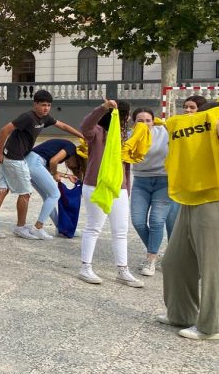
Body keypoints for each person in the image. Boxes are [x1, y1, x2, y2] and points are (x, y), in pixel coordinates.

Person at [0, 90, 83, 240]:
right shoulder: (28, 117)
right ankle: (20, 227)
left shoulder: (45, 118)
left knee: (2, 190)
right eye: (43, 105)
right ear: (35, 104)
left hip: (15, 158)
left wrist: (81, 135)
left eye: (49, 105)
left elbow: (63, 126)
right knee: (25, 193)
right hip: (14, 158)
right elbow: (4, 130)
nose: (46, 108)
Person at [158, 104, 219, 340]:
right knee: (174, 261)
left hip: (213, 199)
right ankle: (181, 314)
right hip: (189, 197)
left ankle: (212, 326)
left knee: (212, 267)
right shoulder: (189, 128)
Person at [77, 99, 143, 288]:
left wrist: (126, 188)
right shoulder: (97, 132)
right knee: (94, 227)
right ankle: (85, 267)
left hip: (119, 188)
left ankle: (122, 269)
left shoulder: (125, 136)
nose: (128, 119)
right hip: (95, 185)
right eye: (127, 115)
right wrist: (103, 108)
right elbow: (85, 126)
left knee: (121, 230)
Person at [128, 108, 177, 277]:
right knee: (138, 221)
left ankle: (151, 258)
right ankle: (154, 252)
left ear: (153, 121)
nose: (144, 124)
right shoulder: (129, 136)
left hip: (164, 181)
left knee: (156, 220)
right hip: (141, 182)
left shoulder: (164, 132)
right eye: (140, 121)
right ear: (134, 122)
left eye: (148, 120)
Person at [24, 138, 87, 238]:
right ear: (78, 159)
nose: (70, 166)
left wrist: (66, 176)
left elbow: (47, 168)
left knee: (48, 197)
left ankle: (61, 228)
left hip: (29, 164)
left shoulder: (65, 152)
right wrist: (55, 174)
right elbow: (53, 162)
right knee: (55, 194)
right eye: (76, 166)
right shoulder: (71, 147)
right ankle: (37, 227)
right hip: (35, 163)